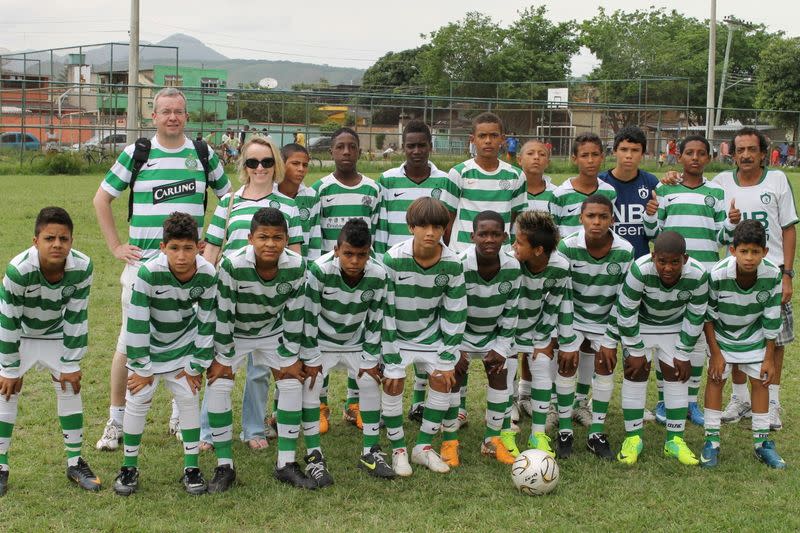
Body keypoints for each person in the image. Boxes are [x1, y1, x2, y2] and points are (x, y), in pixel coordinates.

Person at [93, 87, 230, 452]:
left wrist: (211, 241)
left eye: (179, 111)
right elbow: (102, 198)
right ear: (153, 116)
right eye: (165, 111)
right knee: (127, 341)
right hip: (143, 269)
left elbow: (230, 198)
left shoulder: (202, 154)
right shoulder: (137, 153)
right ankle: (116, 420)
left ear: (187, 116)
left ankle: (178, 413)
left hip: (190, 268)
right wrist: (116, 246)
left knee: (187, 336)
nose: (172, 117)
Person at [200, 136, 303, 451]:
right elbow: (213, 250)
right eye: (253, 162)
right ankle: (208, 432)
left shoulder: (287, 205)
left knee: (260, 369)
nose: (260, 168)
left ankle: (254, 429)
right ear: (243, 166)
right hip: (231, 295)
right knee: (222, 364)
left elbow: (296, 255)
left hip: (269, 298)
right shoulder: (230, 201)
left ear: (276, 165)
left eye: (267, 162)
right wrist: (202, 290)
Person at [207, 207, 315, 490]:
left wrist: (290, 357)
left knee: (292, 382)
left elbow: (294, 314)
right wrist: (223, 356)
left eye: (277, 237)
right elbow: (224, 312)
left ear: (286, 238)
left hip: (271, 331)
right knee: (219, 383)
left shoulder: (297, 266)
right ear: (250, 238)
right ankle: (224, 466)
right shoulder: (232, 265)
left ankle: (286, 463)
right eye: (263, 237)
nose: (270, 244)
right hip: (236, 332)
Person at [112, 212, 218, 496]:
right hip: (149, 350)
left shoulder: (207, 274)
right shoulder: (147, 272)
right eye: (174, 248)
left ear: (199, 246)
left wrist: (196, 365)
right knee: (138, 398)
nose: (181, 256)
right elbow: (135, 322)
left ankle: (192, 468)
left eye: (188, 248)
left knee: (188, 397)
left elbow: (207, 322)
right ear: (162, 248)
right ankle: (129, 467)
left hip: (183, 349)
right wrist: (141, 368)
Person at [0, 207, 100, 496]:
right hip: (19, 333)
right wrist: (9, 367)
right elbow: (8, 319)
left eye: (63, 238)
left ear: (71, 240)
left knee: (70, 387)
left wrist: (71, 361)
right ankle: (2, 465)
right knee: (6, 390)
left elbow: (77, 315)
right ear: (36, 241)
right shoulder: (18, 269)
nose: (57, 244)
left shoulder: (82, 266)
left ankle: (74, 462)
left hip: (57, 332)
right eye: (49, 238)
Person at [643, 135, 736, 427]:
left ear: (708, 158)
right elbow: (653, 232)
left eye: (701, 153)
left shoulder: (717, 193)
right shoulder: (665, 187)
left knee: (695, 338)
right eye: (689, 153)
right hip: (671, 275)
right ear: (679, 156)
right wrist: (649, 215)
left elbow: (723, 236)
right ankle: (663, 399)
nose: (695, 157)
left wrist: (732, 223)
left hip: (703, 276)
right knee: (669, 338)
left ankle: (691, 401)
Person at [373, 120, 460, 424]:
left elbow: (446, 225)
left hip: (430, 265)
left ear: (430, 146)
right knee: (391, 330)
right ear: (403, 147)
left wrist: (440, 257)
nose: (416, 150)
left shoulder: (446, 180)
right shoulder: (386, 179)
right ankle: (385, 408)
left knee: (429, 327)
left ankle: (419, 403)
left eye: (422, 145)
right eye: (410, 145)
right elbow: (381, 224)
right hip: (396, 266)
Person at [714, 128, 797, 431]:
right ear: (732, 154)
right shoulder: (721, 183)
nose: (746, 155)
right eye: (740, 150)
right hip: (734, 275)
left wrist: (787, 274)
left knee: (774, 342)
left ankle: (772, 402)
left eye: (752, 149)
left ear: (764, 153)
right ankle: (739, 399)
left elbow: (788, 228)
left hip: (771, 273)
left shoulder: (776, 180)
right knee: (735, 334)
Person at [302, 218, 395, 479]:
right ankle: (313, 455)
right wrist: (310, 356)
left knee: (368, 384)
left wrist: (369, 359)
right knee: (312, 385)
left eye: (361, 255)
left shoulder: (378, 274)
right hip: (321, 342)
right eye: (348, 254)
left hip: (355, 341)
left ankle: (371, 452)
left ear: (370, 252)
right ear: (336, 249)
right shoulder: (319, 271)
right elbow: (308, 317)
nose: (354, 261)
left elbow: (376, 319)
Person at [381, 197, 467, 475]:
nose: (430, 232)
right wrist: (391, 354)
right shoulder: (393, 259)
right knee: (394, 382)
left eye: (437, 226)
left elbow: (455, 312)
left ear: (445, 229)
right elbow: (385, 310)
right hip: (396, 337)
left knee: (444, 380)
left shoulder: (453, 263)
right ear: (411, 228)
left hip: (430, 338)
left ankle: (423, 448)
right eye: (423, 226)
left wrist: (446, 357)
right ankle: (398, 451)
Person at [612, 231, 708, 466]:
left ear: (685, 259)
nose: (667, 267)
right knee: (636, 373)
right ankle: (633, 438)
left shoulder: (699, 275)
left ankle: (674, 441)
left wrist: (684, 353)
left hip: (673, 326)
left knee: (676, 373)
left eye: (675, 262)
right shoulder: (640, 269)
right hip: (641, 325)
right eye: (662, 261)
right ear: (654, 256)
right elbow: (626, 312)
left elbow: (696, 317)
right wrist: (634, 350)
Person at [311, 127, 382, 428]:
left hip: (361, 272)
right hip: (330, 274)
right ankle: (321, 405)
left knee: (360, 333)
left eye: (351, 147)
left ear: (359, 151)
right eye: (340, 147)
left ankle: (354, 404)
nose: (345, 152)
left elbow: (377, 231)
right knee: (321, 335)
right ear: (331, 151)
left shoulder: (372, 189)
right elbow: (315, 231)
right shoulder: (321, 188)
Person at [701, 220, 785, 469]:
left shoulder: (772, 274)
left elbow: (771, 319)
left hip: (754, 334)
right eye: (744, 251)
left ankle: (762, 444)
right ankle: (712, 441)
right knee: (716, 379)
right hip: (722, 335)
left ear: (765, 252)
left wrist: (769, 358)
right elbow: (708, 317)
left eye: (755, 252)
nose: (749, 258)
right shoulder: (717, 274)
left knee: (761, 380)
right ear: (733, 250)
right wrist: (716, 353)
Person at [555, 194, 633, 459]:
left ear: (612, 219)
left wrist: (611, 338)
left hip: (605, 319)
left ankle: (596, 431)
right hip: (573, 317)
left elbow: (624, 299)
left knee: (606, 364)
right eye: (591, 216)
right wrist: (567, 339)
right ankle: (564, 428)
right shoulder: (566, 247)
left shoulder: (624, 250)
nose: (597, 222)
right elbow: (562, 296)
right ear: (581, 218)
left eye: (603, 216)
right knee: (566, 364)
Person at [551, 132, 617, 427]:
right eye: (585, 155)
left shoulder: (608, 191)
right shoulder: (560, 193)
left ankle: (580, 402)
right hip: (568, 272)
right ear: (574, 159)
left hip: (597, 274)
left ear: (602, 157)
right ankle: (555, 401)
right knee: (562, 341)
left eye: (595, 154)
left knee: (590, 343)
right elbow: (552, 233)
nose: (590, 160)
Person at [598, 126, 660, 421]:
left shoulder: (651, 182)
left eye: (635, 150)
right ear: (614, 152)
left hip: (641, 273)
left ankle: (636, 401)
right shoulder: (602, 183)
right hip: (605, 272)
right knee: (599, 338)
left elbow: (656, 228)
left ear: (643, 154)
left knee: (638, 339)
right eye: (624, 149)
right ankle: (587, 400)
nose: (629, 155)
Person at [453, 211, 521, 466]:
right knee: (453, 374)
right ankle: (450, 439)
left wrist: (502, 347)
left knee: (500, 372)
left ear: (505, 236)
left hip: (494, 335)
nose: (489, 239)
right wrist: (455, 347)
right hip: (461, 334)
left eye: (495, 234)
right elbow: (450, 308)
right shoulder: (459, 264)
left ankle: (492, 440)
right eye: (483, 234)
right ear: (473, 236)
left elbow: (511, 310)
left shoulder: (513, 266)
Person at [512, 210, 579, 459]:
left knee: (541, 364)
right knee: (505, 372)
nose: (513, 246)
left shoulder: (560, 266)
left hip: (538, 327)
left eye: (519, 242)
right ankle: (504, 432)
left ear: (539, 250)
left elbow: (557, 304)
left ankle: (537, 433)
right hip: (507, 328)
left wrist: (545, 339)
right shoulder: (510, 262)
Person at [513, 139, 558, 427]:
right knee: (514, 328)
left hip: (542, 265)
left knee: (542, 330)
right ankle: (516, 395)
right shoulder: (512, 189)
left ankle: (533, 394)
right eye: (530, 153)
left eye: (542, 154)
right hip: (516, 264)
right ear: (520, 159)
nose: (536, 158)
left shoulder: (556, 193)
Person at [449, 112, 526, 254]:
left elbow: (515, 217)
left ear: (503, 139)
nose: (488, 141)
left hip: (501, 253)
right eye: (482, 136)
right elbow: (449, 216)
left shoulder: (516, 175)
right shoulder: (459, 172)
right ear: (472, 139)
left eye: (494, 135)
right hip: (462, 251)